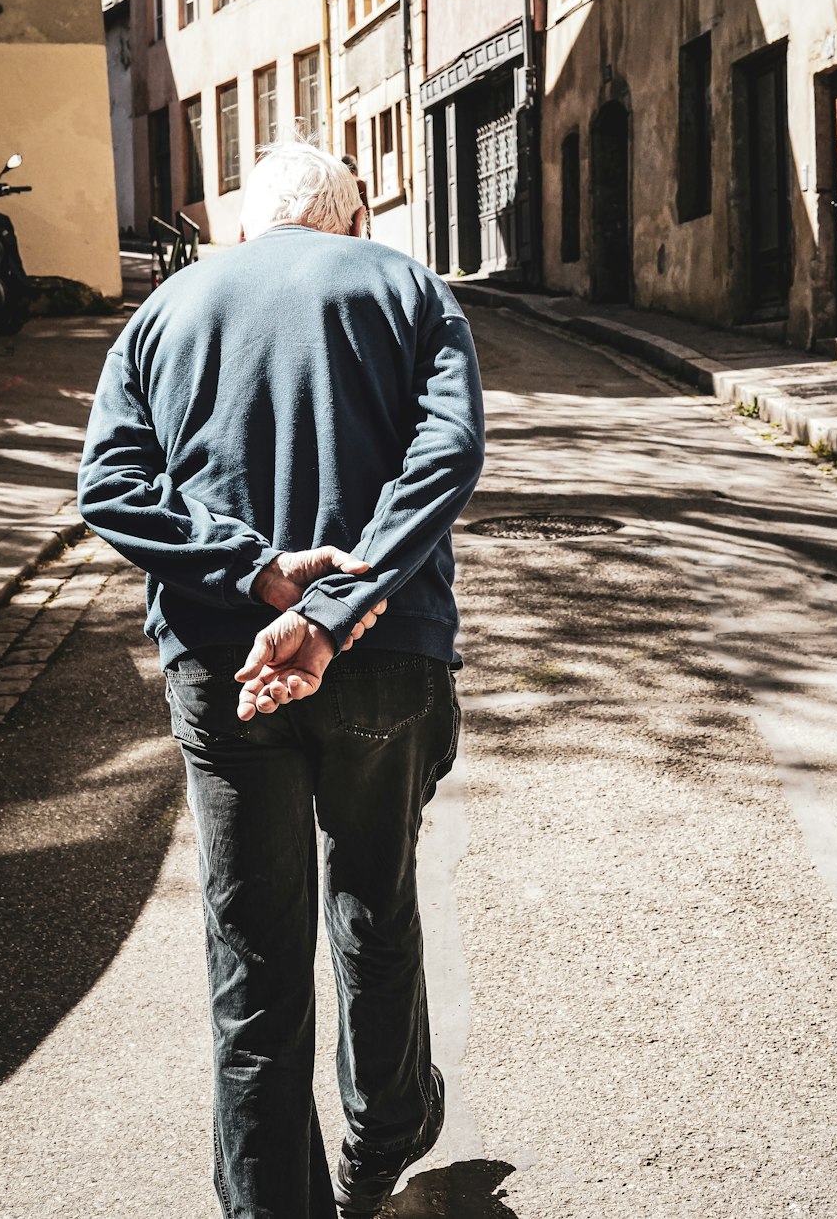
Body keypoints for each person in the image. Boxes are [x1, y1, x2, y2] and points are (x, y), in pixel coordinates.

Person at [77, 140, 485, 1218]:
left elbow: (108, 485)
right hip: (384, 659)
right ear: (350, 217)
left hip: (223, 667)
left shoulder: (165, 310)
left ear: (250, 225)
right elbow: (444, 456)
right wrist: (339, 607)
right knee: (374, 895)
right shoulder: (406, 285)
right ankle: (387, 1124)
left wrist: (253, 572)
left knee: (253, 960)